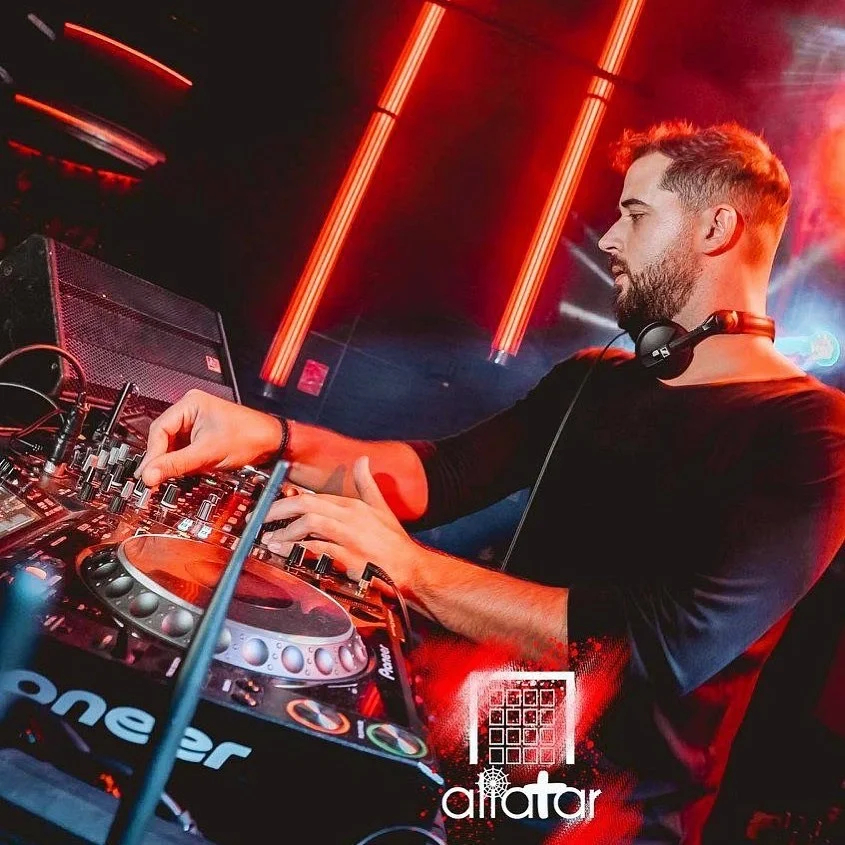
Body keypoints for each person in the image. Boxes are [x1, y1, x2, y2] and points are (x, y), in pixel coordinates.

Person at [135, 121, 845, 844]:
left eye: (635, 214)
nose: (607, 239)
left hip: (603, 820)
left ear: (715, 227)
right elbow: (437, 476)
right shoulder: (593, 380)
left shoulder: (810, 432)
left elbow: (655, 645)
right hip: (483, 763)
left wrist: (410, 568)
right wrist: (271, 437)